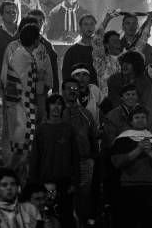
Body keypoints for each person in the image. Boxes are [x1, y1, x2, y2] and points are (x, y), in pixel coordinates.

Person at [1, 22, 53, 179]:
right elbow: (22, 86)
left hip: (23, 108)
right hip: (20, 110)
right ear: (36, 40)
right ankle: (10, 180)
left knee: (24, 149)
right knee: (21, 149)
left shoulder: (21, 54)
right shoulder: (22, 57)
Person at [111, 105, 152, 228]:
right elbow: (117, 162)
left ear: (147, 120)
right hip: (128, 188)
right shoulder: (122, 139)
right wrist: (138, 150)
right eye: (137, 117)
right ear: (131, 121)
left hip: (150, 187)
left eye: (143, 117)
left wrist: (150, 152)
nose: (140, 119)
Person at [29, 94, 79, 228]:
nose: (56, 107)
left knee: (66, 216)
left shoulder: (68, 129)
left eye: (59, 104)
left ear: (63, 107)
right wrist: (34, 182)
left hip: (65, 180)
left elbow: (75, 156)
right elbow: (35, 156)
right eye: (53, 104)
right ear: (48, 107)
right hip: (45, 179)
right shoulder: (41, 129)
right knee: (44, 217)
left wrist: (75, 181)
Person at [61, 77, 98, 226]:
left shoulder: (86, 114)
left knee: (83, 198)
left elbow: (93, 138)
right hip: (63, 163)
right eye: (69, 88)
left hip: (83, 162)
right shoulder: (57, 112)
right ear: (63, 91)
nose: (72, 91)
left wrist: (92, 159)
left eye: (75, 89)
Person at [62, 14, 98, 83]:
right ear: (80, 28)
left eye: (92, 24)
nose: (89, 27)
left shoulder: (101, 48)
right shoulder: (72, 51)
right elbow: (66, 75)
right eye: (86, 24)